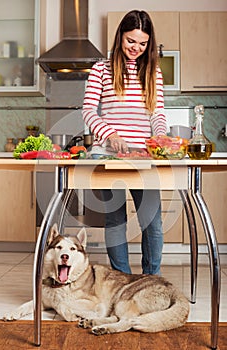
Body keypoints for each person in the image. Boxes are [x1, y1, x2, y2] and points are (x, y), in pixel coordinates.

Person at [82, 10, 167, 275]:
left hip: (143, 156)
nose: (136, 48)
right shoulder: (101, 69)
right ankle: (122, 280)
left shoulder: (153, 72)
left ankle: (150, 281)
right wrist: (110, 134)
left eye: (143, 44)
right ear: (120, 36)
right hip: (109, 156)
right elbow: (88, 110)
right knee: (116, 220)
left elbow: (157, 114)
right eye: (131, 41)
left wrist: (161, 137)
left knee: (152, 222)